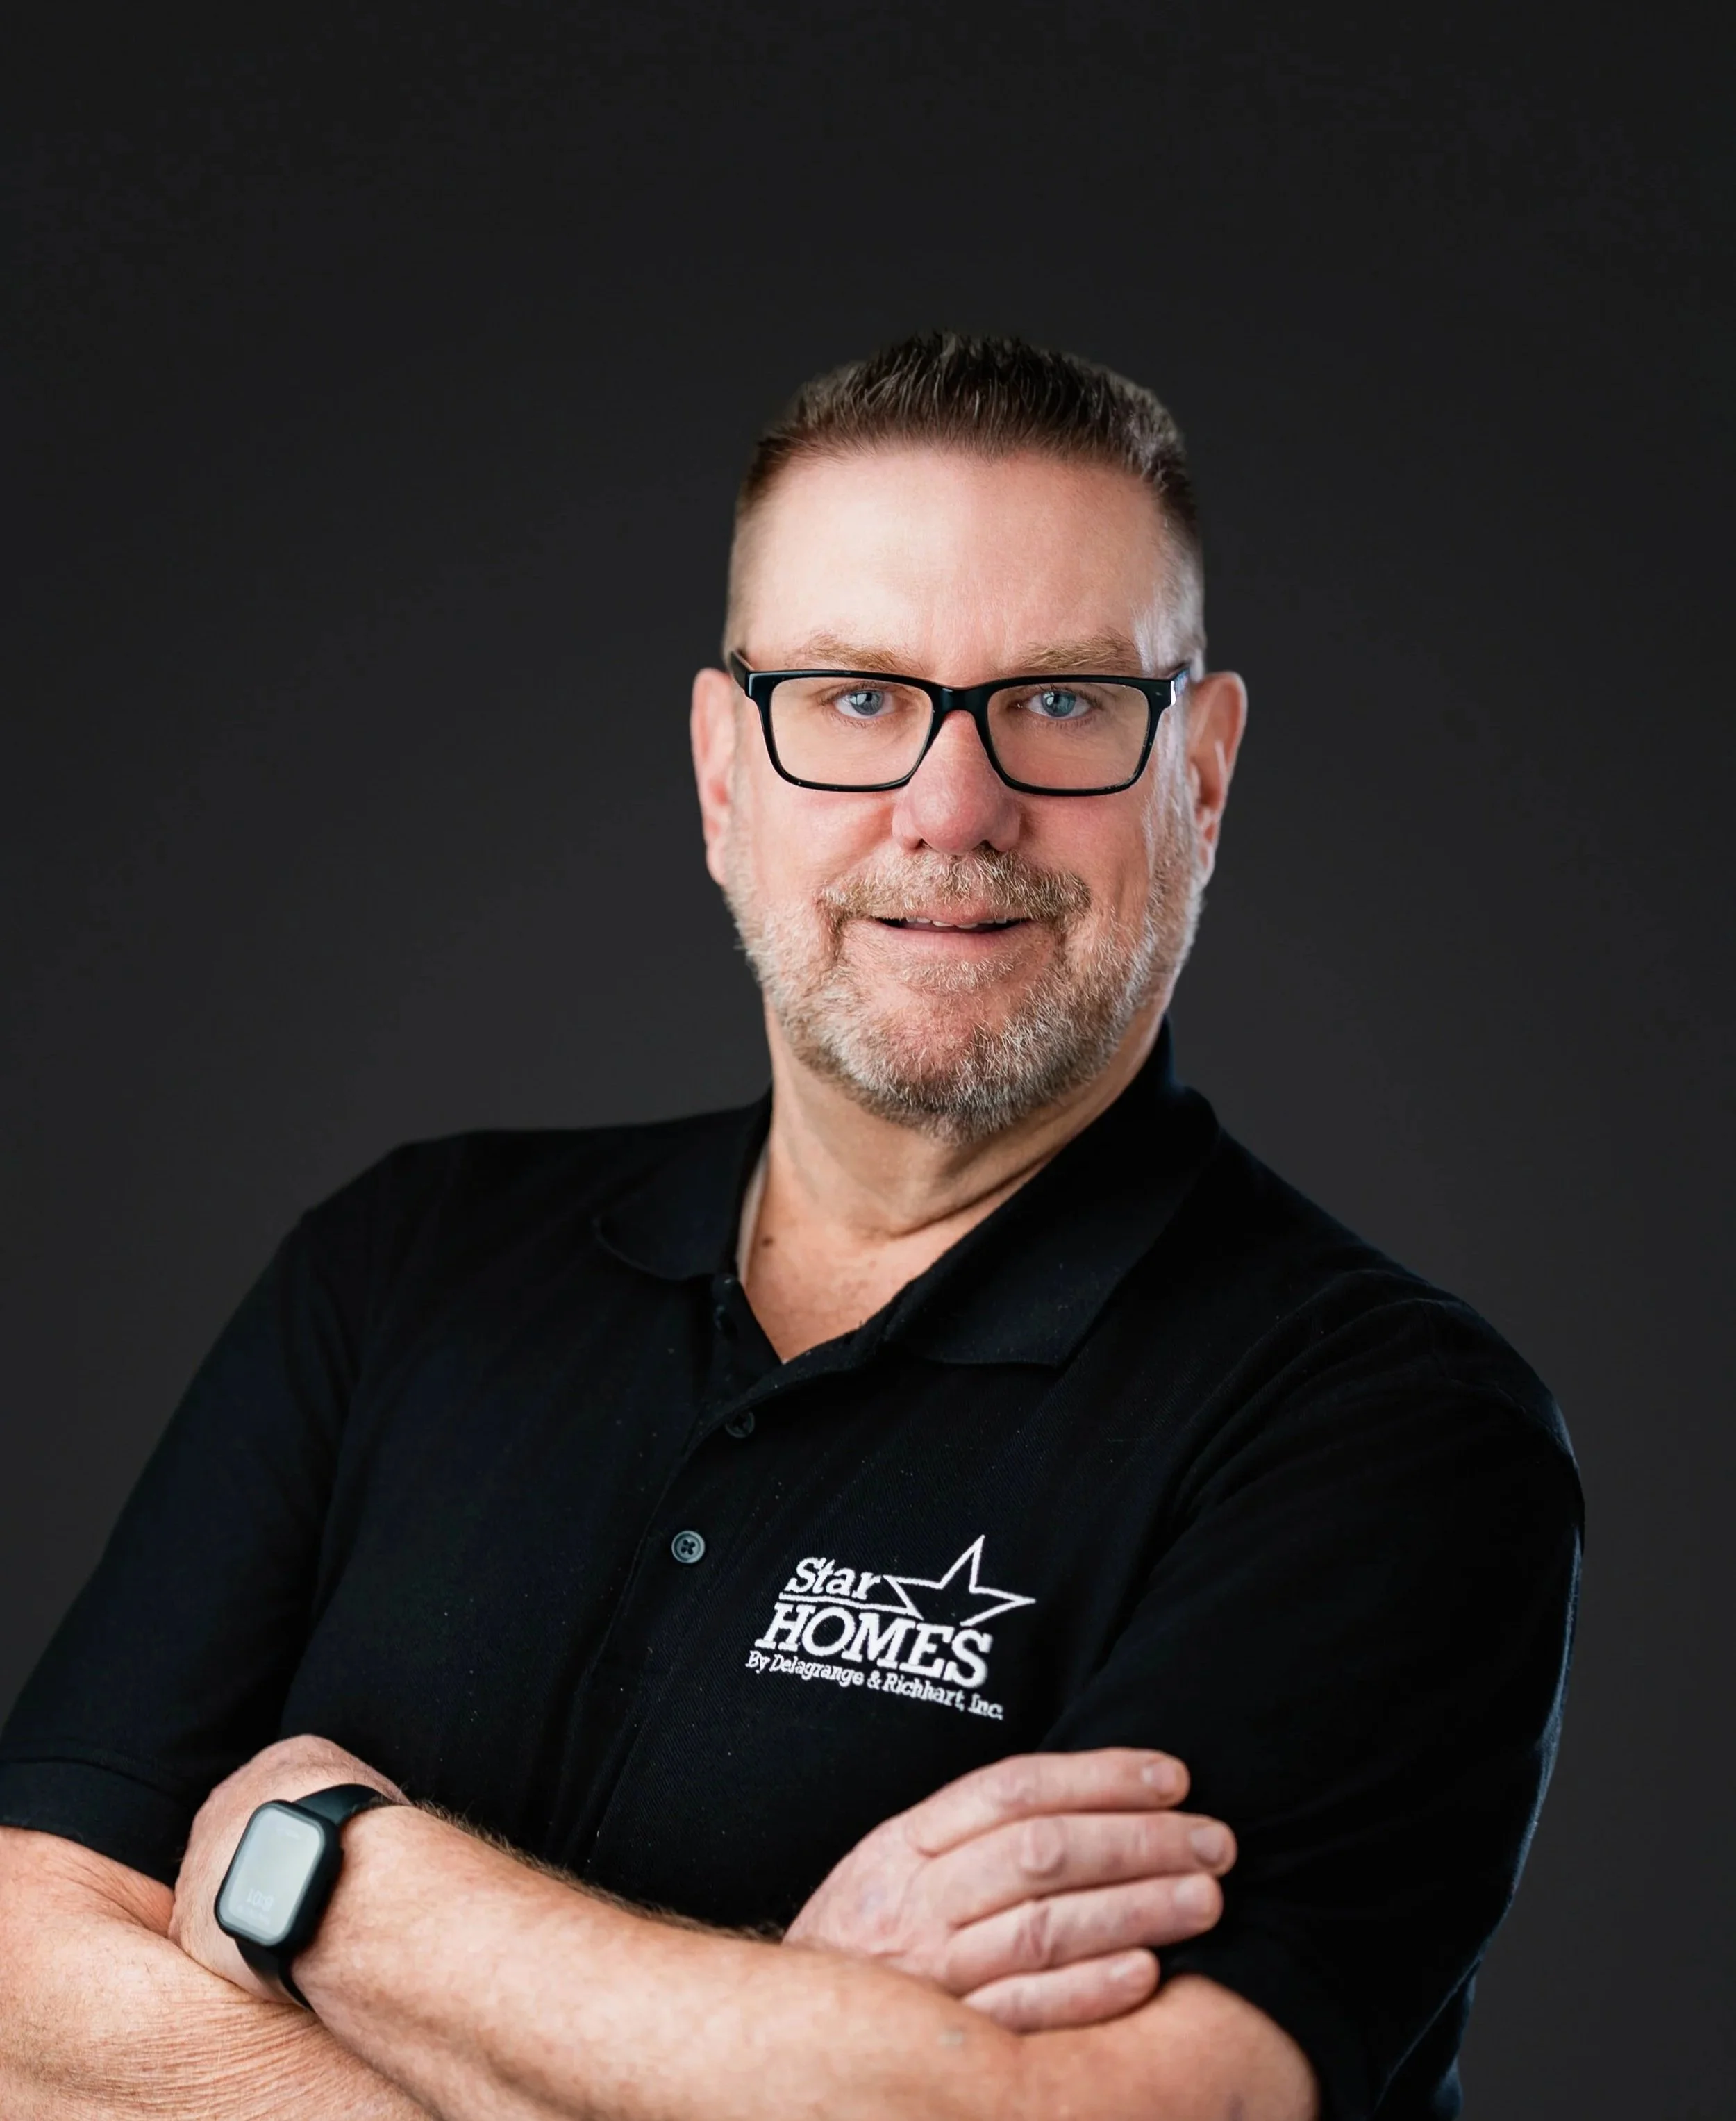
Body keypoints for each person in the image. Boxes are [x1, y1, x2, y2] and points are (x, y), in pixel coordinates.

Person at [0, 333, 1580, 2121]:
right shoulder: (406, 1261)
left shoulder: (1384, 1432)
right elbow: (19, 1973)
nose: (950, 809)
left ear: (1198, 777)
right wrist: (775, 2050)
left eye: (1061, 702)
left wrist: (345, 1885)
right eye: (851, 697)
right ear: (719, 773)